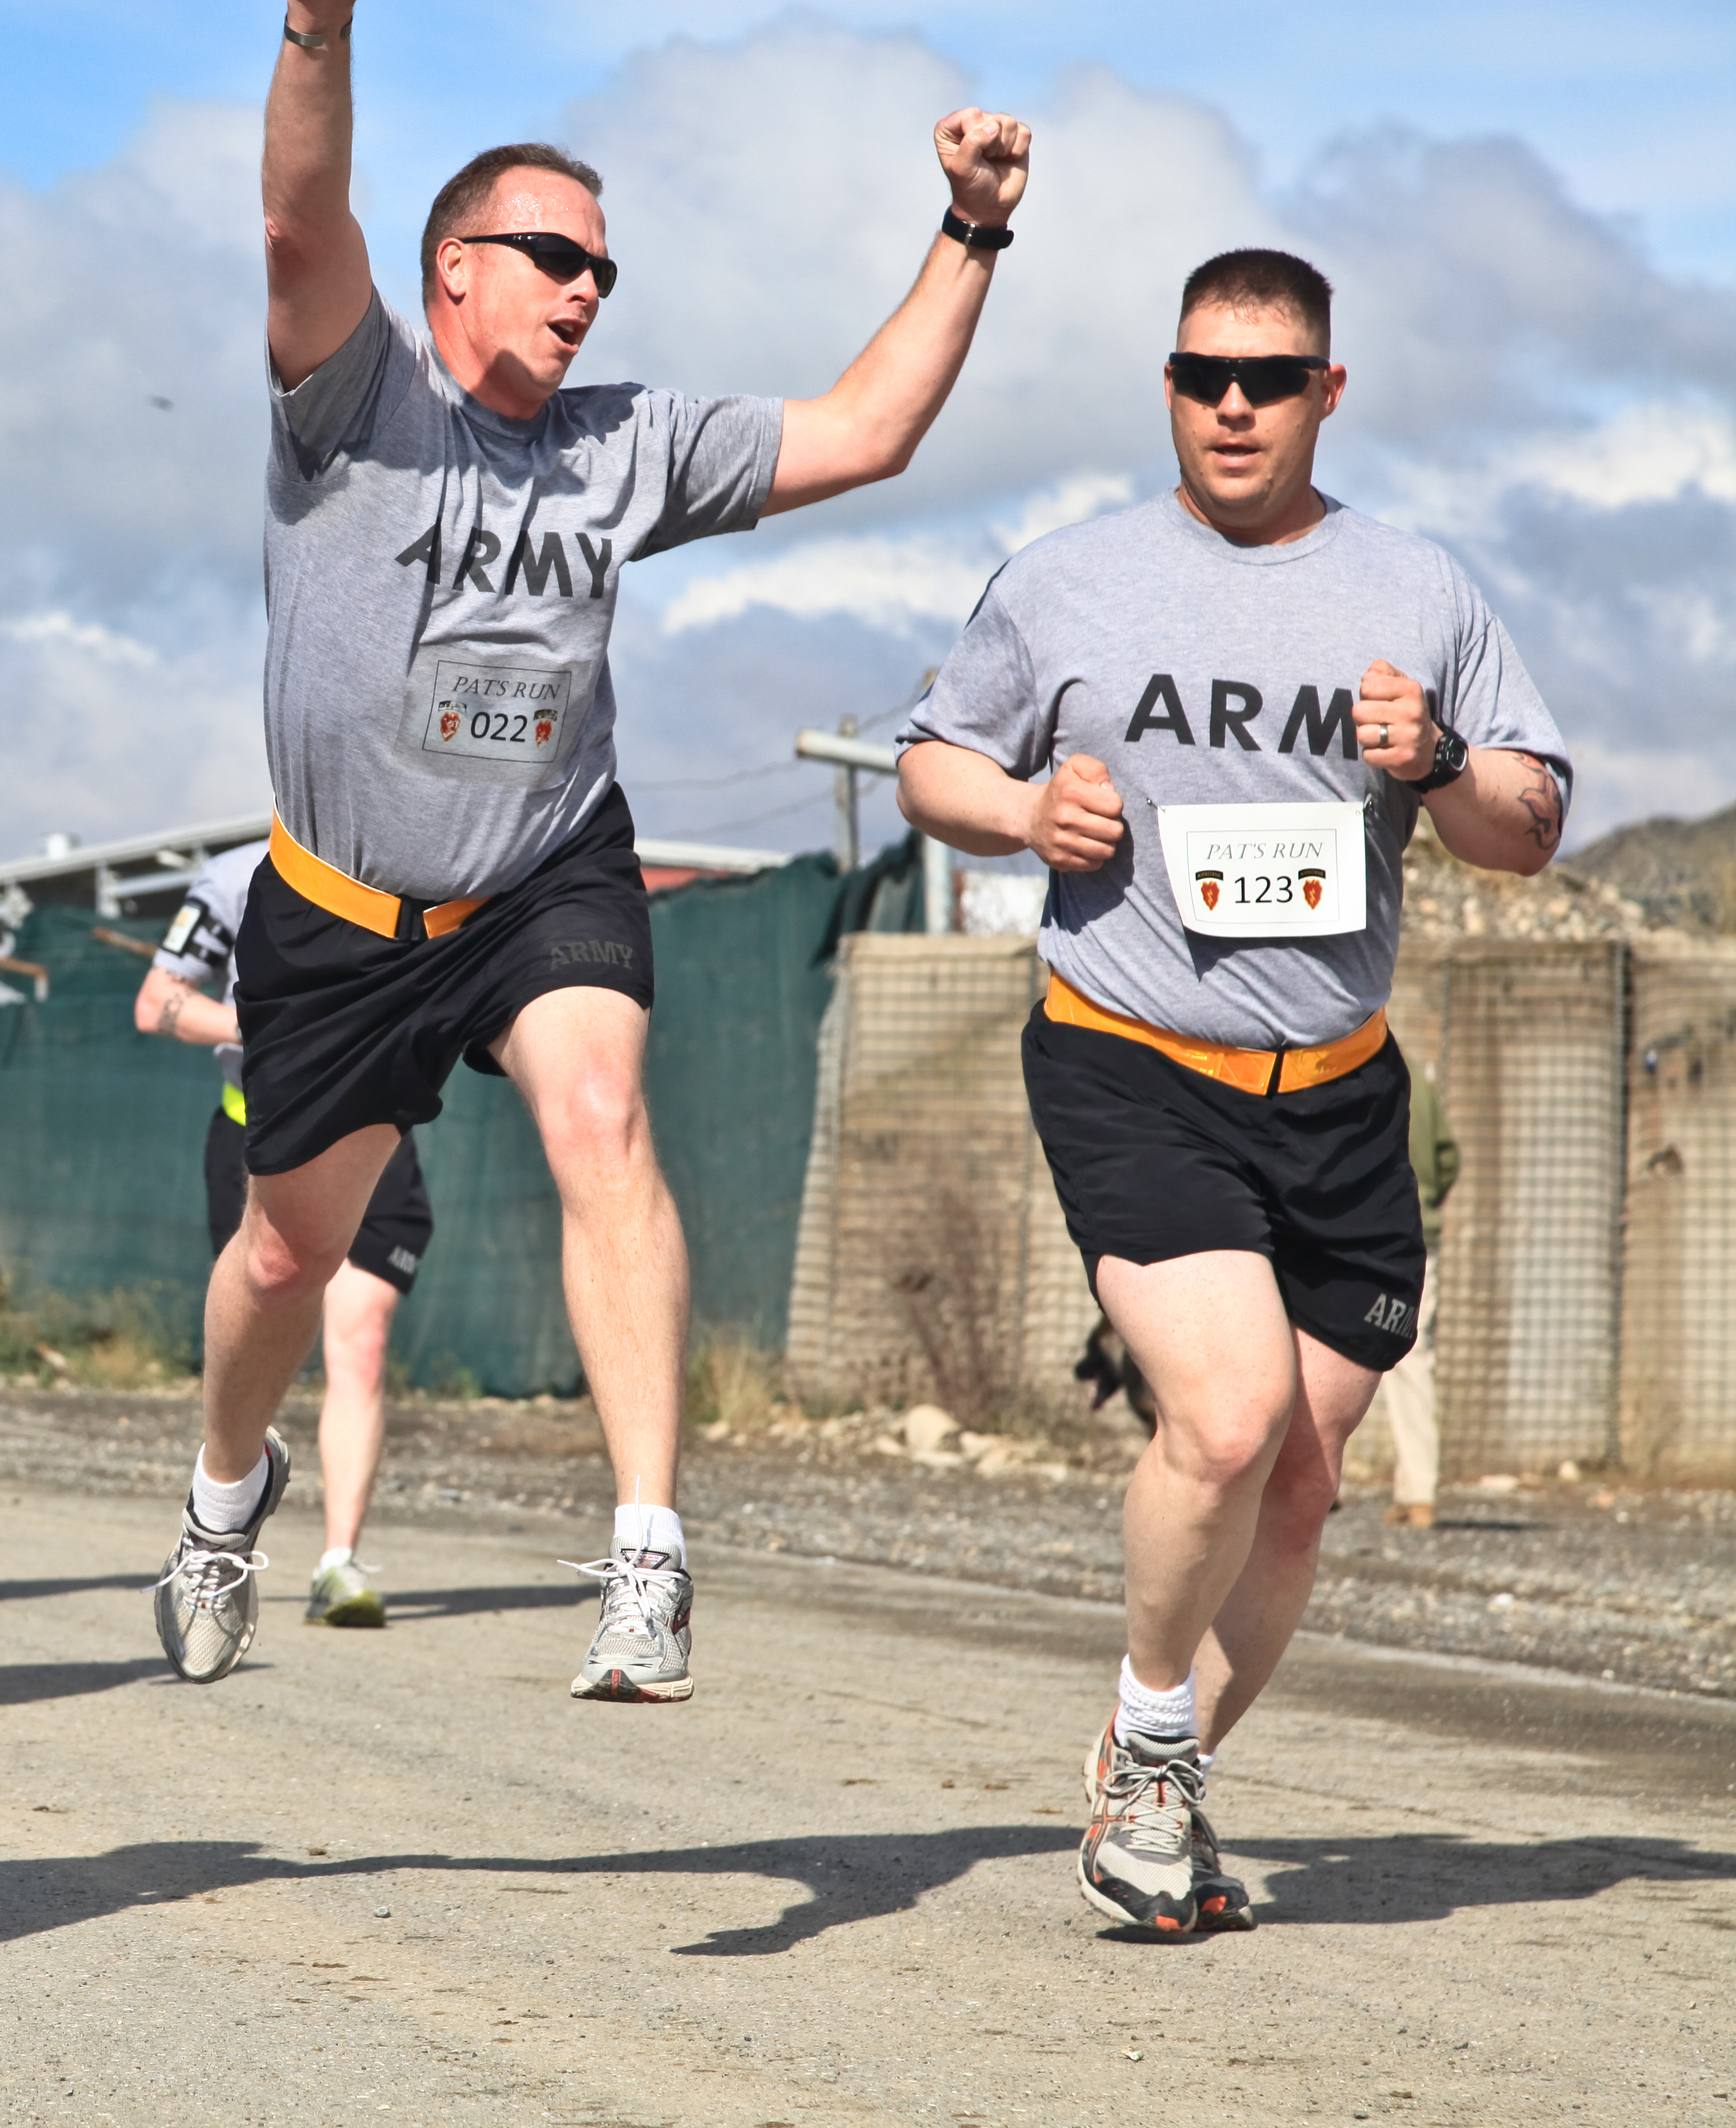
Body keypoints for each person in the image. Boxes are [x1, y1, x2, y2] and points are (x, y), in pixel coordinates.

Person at [164, 5, 1032, 1699]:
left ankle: (649, 1559)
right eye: (551, 255)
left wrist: (974, 230)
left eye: (603, 273)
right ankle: (221, 1501)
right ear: (452, 269)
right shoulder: (354, 405)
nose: (581, 290)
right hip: (342, 911)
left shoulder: (621, 444)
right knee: (284, 1255)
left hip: (548, 871)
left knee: (603, 1116)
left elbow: (868, 432)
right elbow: (294, 216)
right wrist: (317, 33)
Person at [894, 248, 1571, 1935]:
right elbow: (931, 758)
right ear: (1172, 386)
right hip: (1132, 1060)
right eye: (1205, 375)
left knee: (1302, 1478)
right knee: (1224, 1410)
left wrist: (1435, 763)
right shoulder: (1068, 582)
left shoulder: (1419, 588)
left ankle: (1151, 1780)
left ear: (1328, 392)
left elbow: (1528, 827)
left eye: (1270, 378)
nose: (1235, 406)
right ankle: (1152, 1727)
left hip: (1339, 1086)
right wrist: (1020, 818)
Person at [140, 839, 430, 1627]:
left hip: (376, 1138)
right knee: (259, 1345)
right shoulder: (238, 876)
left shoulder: (414, 865)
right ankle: (230, 1514)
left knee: (360, 1339)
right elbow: (156, 998)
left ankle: (339, 1561)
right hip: (254, 1141)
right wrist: (267, 1024)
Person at [1373, 1068, 1457, 1528]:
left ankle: (1309, 1485)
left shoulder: (1348, 1066)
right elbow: (1448, 1158)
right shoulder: (1420, 1084)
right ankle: (1418, 1491)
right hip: (1417, 1233)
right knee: (1411, 1356)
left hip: (1361, 1235)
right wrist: (1426, 1200)